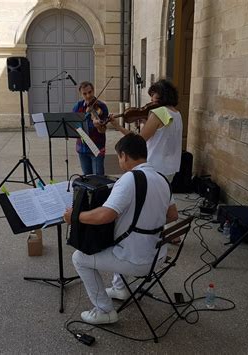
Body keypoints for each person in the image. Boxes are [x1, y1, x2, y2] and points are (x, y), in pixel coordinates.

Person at [63, 133, 178, 325]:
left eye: (119, 157)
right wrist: (145, 219)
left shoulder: (129, 179)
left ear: (124, 155)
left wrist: (74, 217)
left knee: (79, 258)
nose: (120, 161)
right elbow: (173, 215)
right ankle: (120, 288)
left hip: (138, 261)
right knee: (123, 239)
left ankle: (104, 310)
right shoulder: (161, 178)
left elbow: (105, 215)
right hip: (158, 255)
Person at [109, 79, 183, 182]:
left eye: (153, 94)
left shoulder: (159, 112)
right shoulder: (176, 113)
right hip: (171, 166)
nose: (151, 99)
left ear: (163, 95)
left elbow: (138, 140)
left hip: (156, 166)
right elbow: (163, 133)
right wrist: (146, 122)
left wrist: (118, 127)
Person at [72, 81, 109, 175]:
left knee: (98, 179)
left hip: (96, 147)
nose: (88, 96)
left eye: (90, 92)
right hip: (82, 148)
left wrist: (98, 126)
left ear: (93, 91)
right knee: (86, 177)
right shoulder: (78, 107)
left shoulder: (102, 106)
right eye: (85, 94)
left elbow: (103, 130)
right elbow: (74, 125)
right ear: (81, 94)